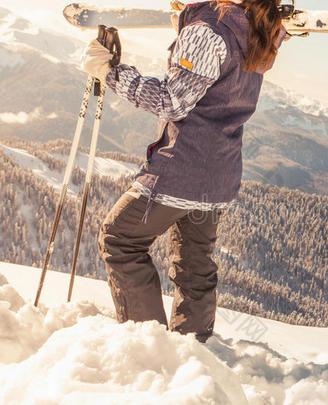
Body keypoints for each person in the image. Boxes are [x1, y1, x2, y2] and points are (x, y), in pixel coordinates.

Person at [81, 0, 286, 343]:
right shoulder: (259, 27)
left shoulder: (206, 32)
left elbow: (171, 102)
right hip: (219, 176)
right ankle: (193, 350)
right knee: (194, 264)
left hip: (183, 169)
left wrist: (110, 72)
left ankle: (150, 347)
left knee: (120, 239)